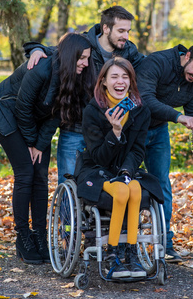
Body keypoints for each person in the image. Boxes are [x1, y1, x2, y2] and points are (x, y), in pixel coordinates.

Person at [0, 33, 94, 265]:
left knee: (41, 176)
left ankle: (39, 236)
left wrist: (40, 143)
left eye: (87, 58)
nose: (86, 63)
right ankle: (23, 237)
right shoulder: (41, 69)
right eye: (82, 58)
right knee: (26, 173)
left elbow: (58, 114)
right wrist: (31, 143)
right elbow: (23, 108)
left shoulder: (74, 76)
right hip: (8, 111)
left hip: (35, 122)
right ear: (71, 55)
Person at [23, 6, 145, 184]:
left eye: (128, 31)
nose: (126, 36)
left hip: (107, 131)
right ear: (106, 28)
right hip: (75, 129)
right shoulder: (84, 43)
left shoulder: (129, 53)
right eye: (121, 31)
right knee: (69, 184)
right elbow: (58, 52)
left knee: (101, 189)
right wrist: (35, 49)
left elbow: (151, 69)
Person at [75, 57, 163, 280]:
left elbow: (137, 150)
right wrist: (115, 132)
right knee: (123, 191)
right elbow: (98, 157)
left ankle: (131, 254)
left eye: (125, 77)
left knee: (133, 188)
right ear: (103, 81)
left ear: (131, 81)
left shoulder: (140, 111)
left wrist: (126, 172)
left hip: (126, 169)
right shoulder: (93, 111)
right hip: (97, 169)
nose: (120, 81)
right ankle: (112, 254)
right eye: (114, 76)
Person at [137, 40, 193, 263]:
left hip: (158, 131)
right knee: (124, 183)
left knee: (161, 184)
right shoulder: (157, 62)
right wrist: (178, 117)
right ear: (187, 55)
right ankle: (124, 244)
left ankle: (164, 244)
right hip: (132, 128)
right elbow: (144, 99)